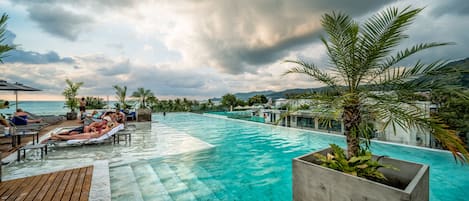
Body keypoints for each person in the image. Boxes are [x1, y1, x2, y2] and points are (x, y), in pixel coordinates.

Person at [50, 121, 115, 141]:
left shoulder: (107, 129)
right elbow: (99, 132)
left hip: (88, 136)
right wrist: (95, 130)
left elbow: (100, 131)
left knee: (71, 137)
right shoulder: (106, 129)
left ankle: (56, 135)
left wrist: (96, 130)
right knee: (72, 136)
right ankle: (55, 137)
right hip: (90, 135)